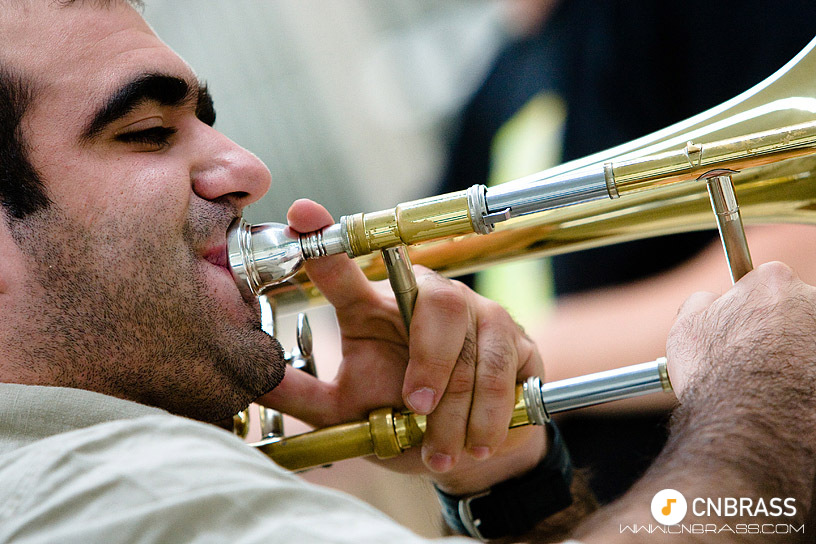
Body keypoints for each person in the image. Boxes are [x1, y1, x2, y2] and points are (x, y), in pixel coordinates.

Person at [0, 2, 813, 543]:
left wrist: (509, 483)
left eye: (202, 122)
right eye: (146, 130)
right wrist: (765, 404)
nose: (249, 168)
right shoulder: (109, 489)